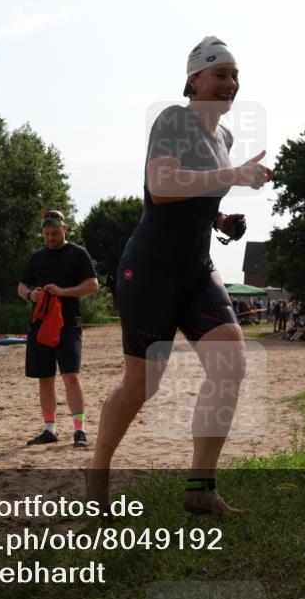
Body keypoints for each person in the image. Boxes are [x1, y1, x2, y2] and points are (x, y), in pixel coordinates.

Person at [88, 36, 273, 516]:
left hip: (196, 269)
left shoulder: (223, 138)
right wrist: (232, 177)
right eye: (219, 75)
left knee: (230, 362)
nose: (229, 85)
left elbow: (196, 194)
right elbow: (162, 186)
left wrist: (219, 219)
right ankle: (99, 470)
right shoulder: (174, 120)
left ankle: (200, 488)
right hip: (149, 271)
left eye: (234, 76)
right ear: (194, 79)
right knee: (142, 386)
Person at [18, 210, 98, 448]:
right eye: (47, 234)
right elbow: (21, 286)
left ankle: (79, 430)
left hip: (69, 323)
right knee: (45, 378)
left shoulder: (78, 254)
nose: (51, 238)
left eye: (55, 233)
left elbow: (92, 286)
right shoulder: (37, 257)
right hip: (41, 324)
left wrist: (63, 292)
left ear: (65, 229)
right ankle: (49, 430)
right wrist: (31, 294)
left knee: (70, 376)